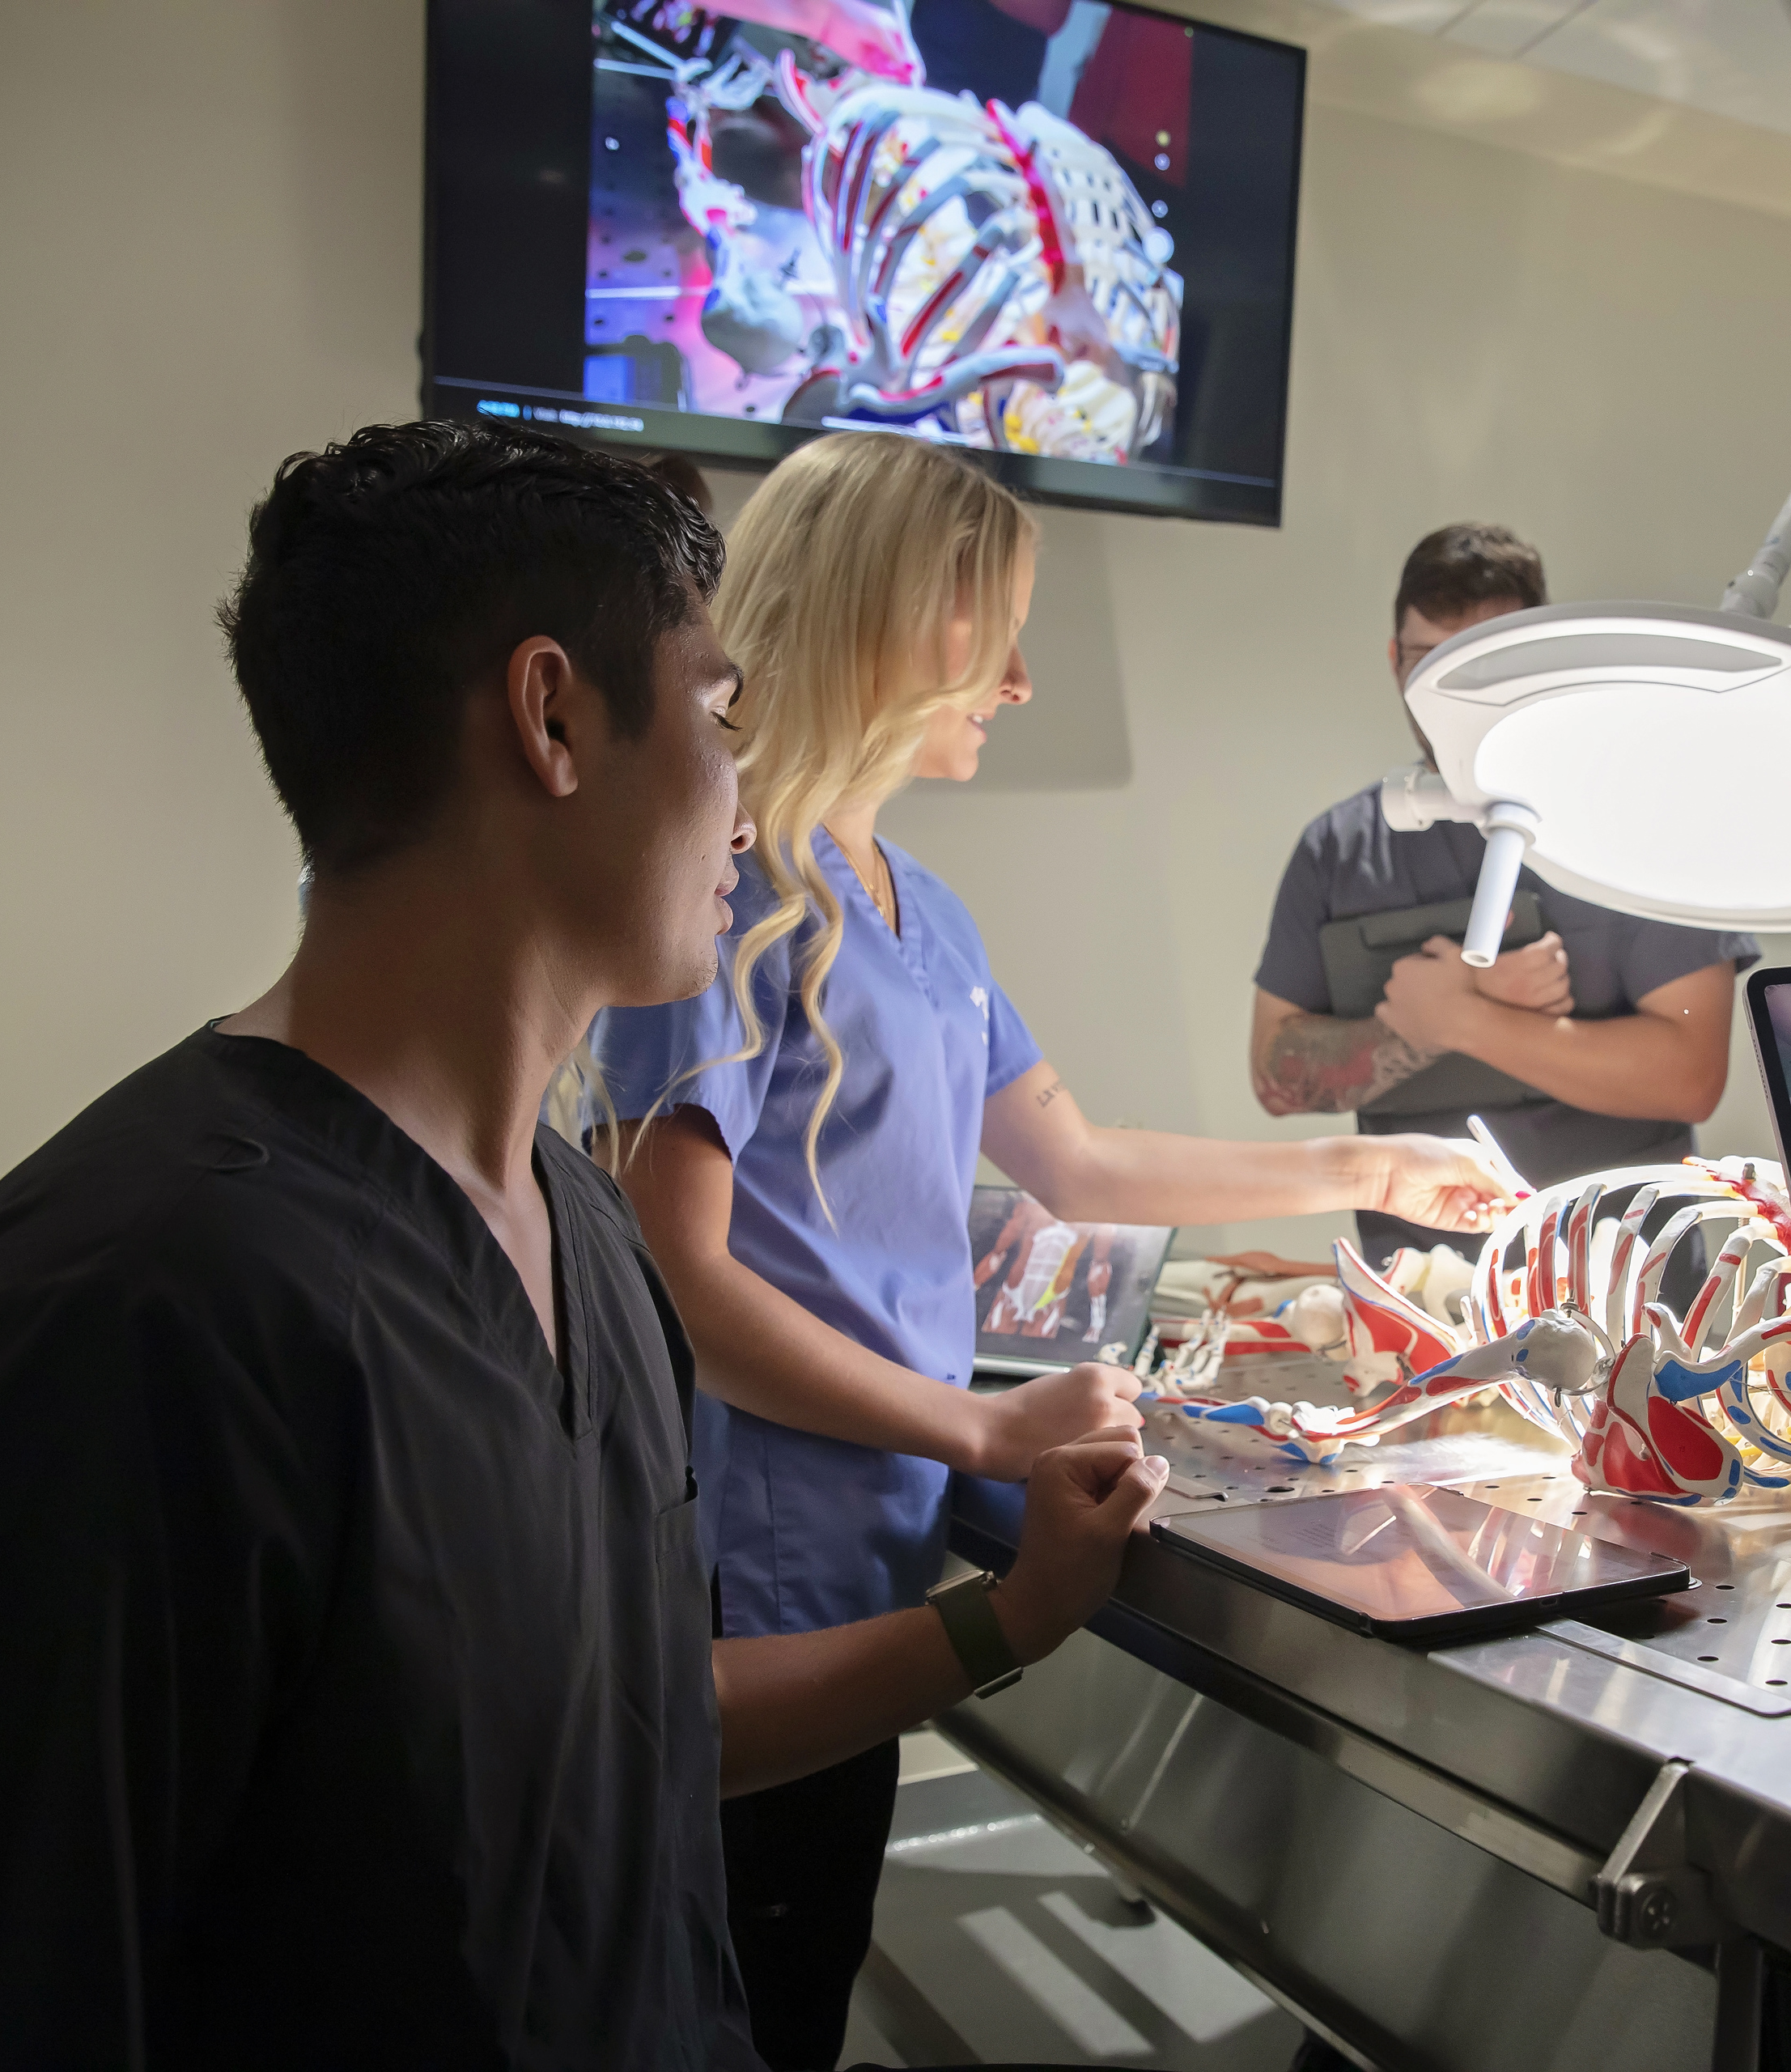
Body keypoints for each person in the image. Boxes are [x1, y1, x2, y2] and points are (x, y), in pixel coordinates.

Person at [0, 421, 1167, 2066]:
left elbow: (638, 1726)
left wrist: (1002, 1619)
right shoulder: (112, 1323)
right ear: (552, 716)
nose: (749, 784)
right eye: (721, 712)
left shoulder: (592, 1251)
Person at [588, 434, 1508, 2070]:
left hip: (878, 1537)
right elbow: (683, 1288)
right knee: (751, 1992)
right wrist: (989, 1427)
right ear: (881, 621)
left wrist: (1369, 1160)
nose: (1017, 680)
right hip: (756, 1574)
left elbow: (1075, 1161)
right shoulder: (720, 894)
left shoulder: (920, 909)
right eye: (991, 633)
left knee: (812, 1957)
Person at [1251, 522, 1759, 1257]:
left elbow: (1690, 1076)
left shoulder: (1643, 833)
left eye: (1485, 664)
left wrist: (1467, 1019)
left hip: (1631, 1282)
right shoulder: (1338, 851)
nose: (1453, 694)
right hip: (1420, 1290)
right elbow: (1276, 1078)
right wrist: (1416, 1026)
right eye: (1429, 661)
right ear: (1394, 662)